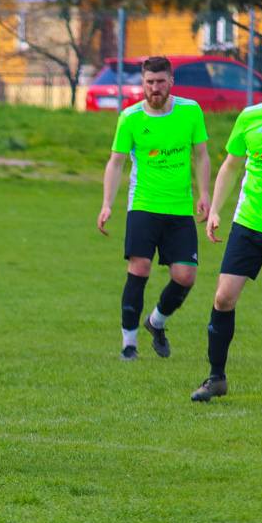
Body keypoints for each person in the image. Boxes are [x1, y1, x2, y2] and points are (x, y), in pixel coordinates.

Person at [191, 53, 262, 402]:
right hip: (249, 225)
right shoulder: (250, 118)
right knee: (223, 296)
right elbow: (231, 166)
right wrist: (216, 208)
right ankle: (216, 377)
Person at [97, 55, 211, 361]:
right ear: (143, 83)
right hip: (144, 206)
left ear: (171, 82)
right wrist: (107, 205)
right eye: (149, 82)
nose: (155, 88)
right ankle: (128, 345)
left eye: (160, 82)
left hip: (180, 208)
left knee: (186, 276)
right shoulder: (130, 117)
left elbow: (201, 155)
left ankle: (156, 322)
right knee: (139, 268)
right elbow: (115, 163)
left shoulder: (190, 111)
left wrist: (204, 194)